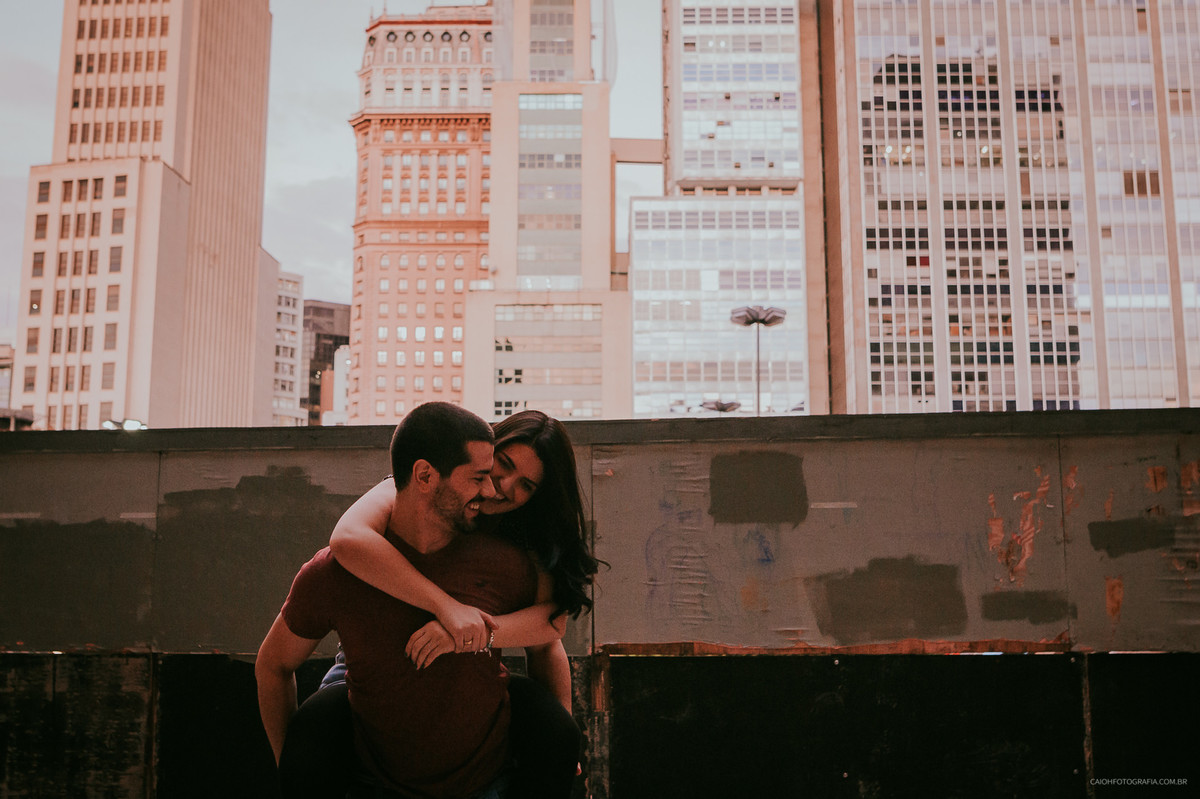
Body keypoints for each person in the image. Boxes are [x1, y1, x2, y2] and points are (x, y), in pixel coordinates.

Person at [274, 409, 599, 798]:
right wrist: (447, 608)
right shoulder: (414, 488)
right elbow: (348, 538)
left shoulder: (524, 542)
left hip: (467, 668)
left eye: (526, 485)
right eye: (503, 464)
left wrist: (466, 635)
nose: (504, 485)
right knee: (319, 726)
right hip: (366, 660)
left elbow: (549, 631)